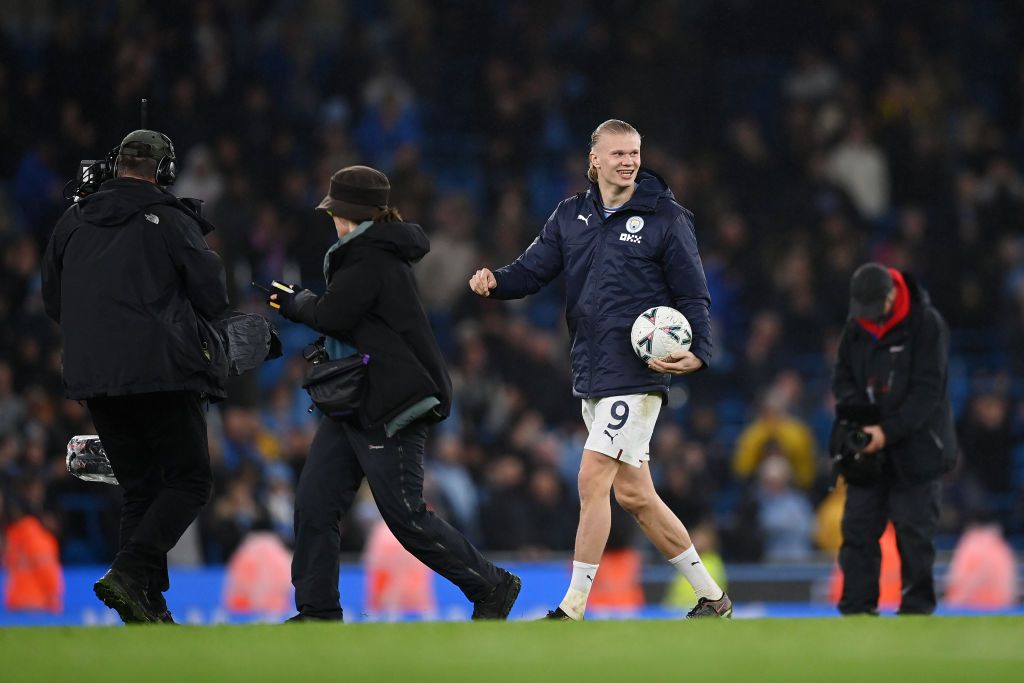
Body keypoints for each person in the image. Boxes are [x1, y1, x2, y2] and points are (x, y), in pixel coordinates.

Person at [469, 119, 731, 619]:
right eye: (618, 154)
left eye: (634, 152)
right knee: (636, 494)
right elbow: (531, 270)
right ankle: (713, 597)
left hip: (637, 373)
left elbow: (693, 292)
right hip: (591, 370)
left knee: (591, 479)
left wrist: (701, 351)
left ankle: (572, 606)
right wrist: (494, 283)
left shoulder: (665, 217)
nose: (629, 161)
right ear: (594, 160)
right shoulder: (571, 215)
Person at [270, 165, 520, 621]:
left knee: (405, 516)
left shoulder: (370, 257)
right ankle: (317, 611)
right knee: (314, 504)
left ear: (348, 214)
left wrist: (293, 301)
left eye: (334, 212)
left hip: (389, 406)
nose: (331, 219)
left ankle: (493, 585)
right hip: (354, 403)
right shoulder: (369, 252)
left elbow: (333, 315)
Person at [41, 129, 230, 623]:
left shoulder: (71, 219)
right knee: (189, 480)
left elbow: (53, 302)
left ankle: (146, 604)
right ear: (164, 172)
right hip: (161, 372)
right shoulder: (170, 219)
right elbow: (213, 296)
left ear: (114, 163)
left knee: (141, 488)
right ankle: (128, 573)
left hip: (94, 377)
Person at [832, 262, 956, 615]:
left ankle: (916, 611)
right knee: (857, 528)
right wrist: (859, 423)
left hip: (918, 447)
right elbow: (843, 380)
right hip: (868, 449)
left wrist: (886, 431)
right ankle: (857, 611)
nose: (869, 317)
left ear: (891, 296)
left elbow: (928, 393)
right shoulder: (856, 327)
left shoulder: (926, 324)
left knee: (914, 534)